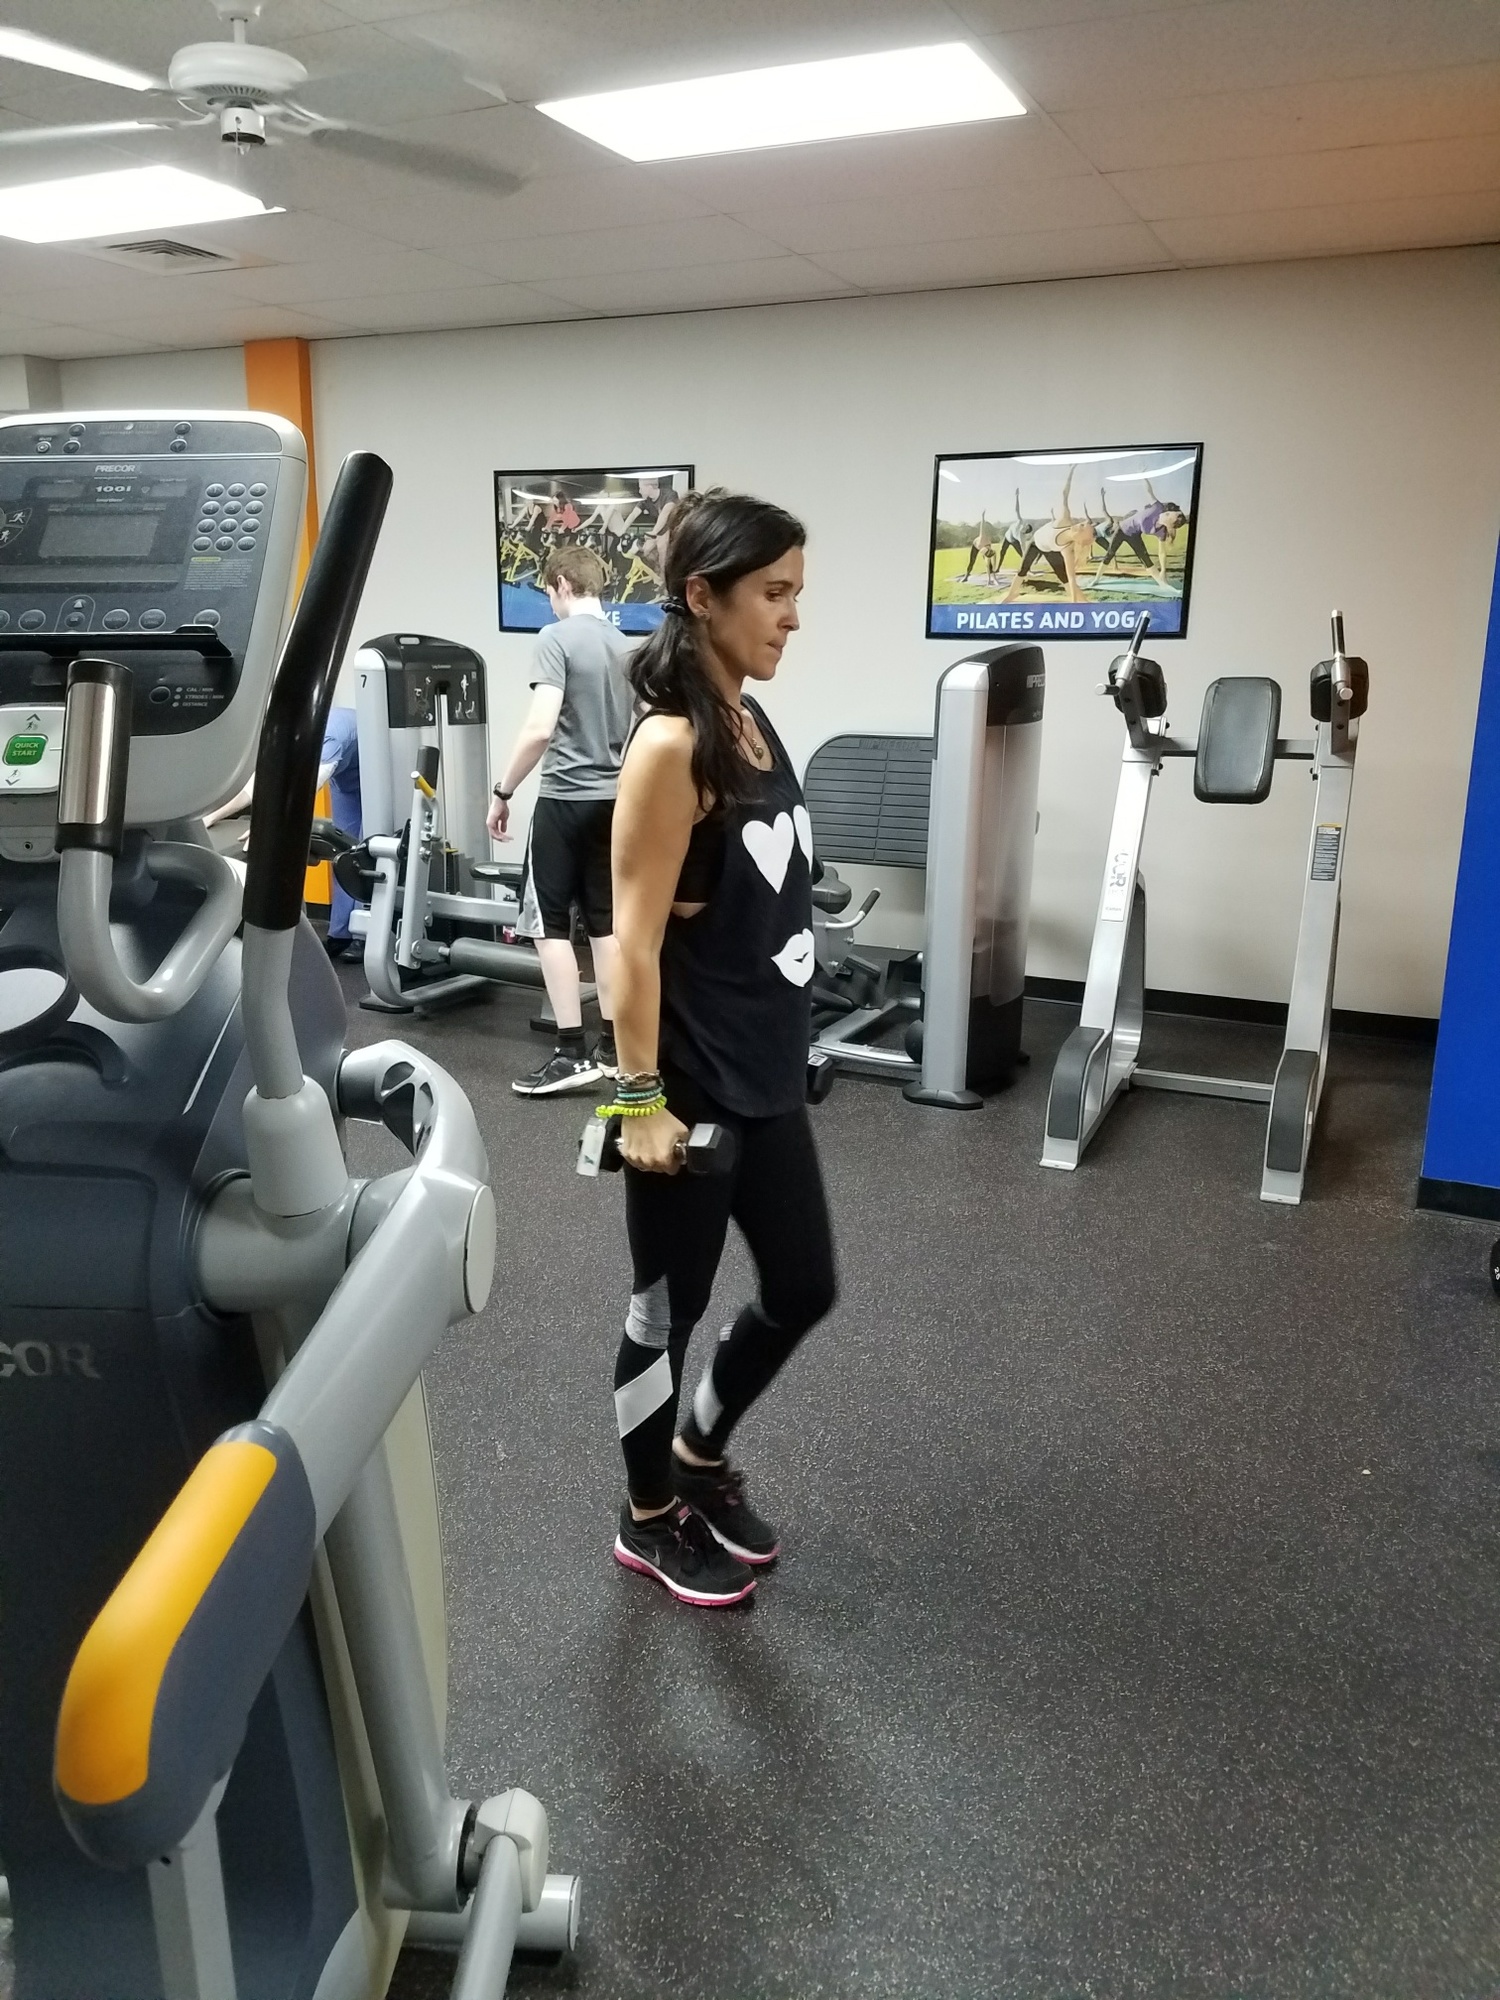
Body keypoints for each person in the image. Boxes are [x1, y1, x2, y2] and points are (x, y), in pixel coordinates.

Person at [605, 489, 838, 1607]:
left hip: (766, 1075)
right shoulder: (673, 745)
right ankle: (647, 1515)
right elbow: (631, 943)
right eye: (774, 594)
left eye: (796, 593)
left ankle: (698, 1451)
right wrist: (635, 1102)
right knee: (665, 1314)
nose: (792, 616)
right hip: (689, 1087)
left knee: (803, 1285)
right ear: (703, 596)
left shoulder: (751, 716)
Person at [487, 544, 633, 1095]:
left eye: (549, 591)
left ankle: (570, 1053)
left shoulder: (555, 638)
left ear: (562, 584)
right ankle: (614, 1049)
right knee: (605, 927)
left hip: (564, 800)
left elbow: (540, 727)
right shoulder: (626, 645)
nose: (550, 601)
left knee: (547, 926)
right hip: (613, 805)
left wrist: (502, 791)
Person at [204, 704, 362, 960]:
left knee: (365, 852)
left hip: (373, 770)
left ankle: (363, 937)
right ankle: (341, 934)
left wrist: (267, 826)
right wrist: (214, 814)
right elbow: (258, 784)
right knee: (343, 856)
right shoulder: (285, 736)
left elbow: (303, 793)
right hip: (346, 778)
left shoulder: (328, 736)